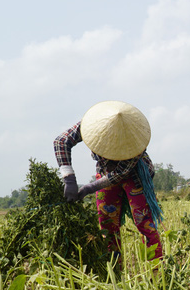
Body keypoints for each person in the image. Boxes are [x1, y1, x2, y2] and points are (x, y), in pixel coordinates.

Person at [54, 100, 164, 265]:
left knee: (144, 224)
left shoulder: (134, 141)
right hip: (105, 170)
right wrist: (69, 178)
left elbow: (120, 174)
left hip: (135, 175)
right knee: (107, 226)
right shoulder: (92, 124)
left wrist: (90, 187)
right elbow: (61, 142)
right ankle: (114, 271)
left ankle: (157, 273)